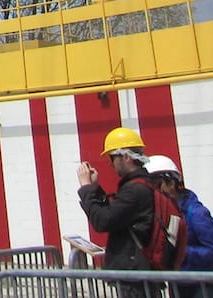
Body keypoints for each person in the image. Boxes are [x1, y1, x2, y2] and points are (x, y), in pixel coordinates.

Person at [77, 125, 159, 298]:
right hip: (138, 271)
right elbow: (115, 216)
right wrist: (95, 189)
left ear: (126, 157)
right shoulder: (142, 185)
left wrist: (86, 189)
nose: (111, 163)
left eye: (113, 157)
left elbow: (102, 221)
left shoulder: (135, 190)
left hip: (135, 275)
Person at [145, 154, 213, 298]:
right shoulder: (165, 213)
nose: (153, 192)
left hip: (203, 286)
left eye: (156, 185)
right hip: (179, 283)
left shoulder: (197, 213)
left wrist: (179, 253)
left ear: (171, 183)